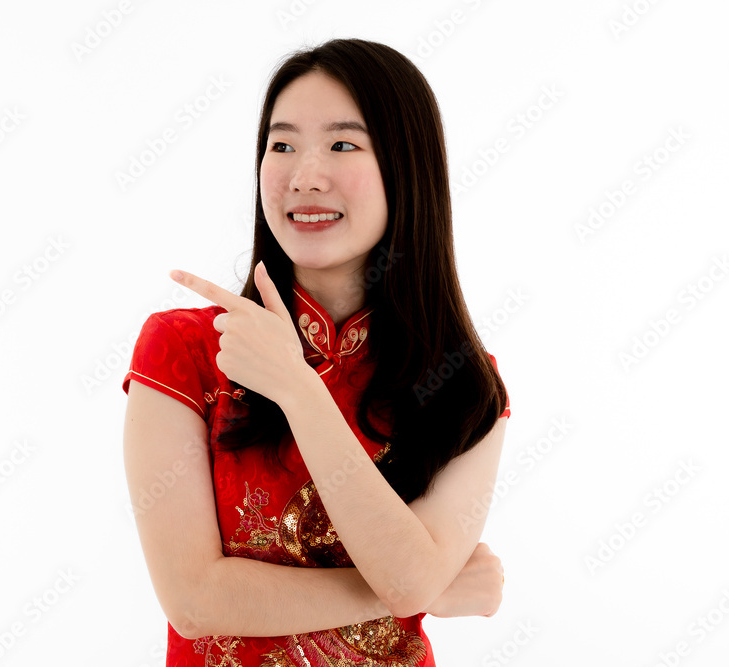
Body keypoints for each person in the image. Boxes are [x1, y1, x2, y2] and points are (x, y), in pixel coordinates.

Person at [122, 37, 510, 666]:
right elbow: (194, 601)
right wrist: (419, 587)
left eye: (342, 144)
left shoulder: (465, 384)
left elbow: (410, 581)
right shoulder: (187, 349)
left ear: (407, 169)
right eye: (282, 145)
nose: (304, 176)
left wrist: (300, 390)